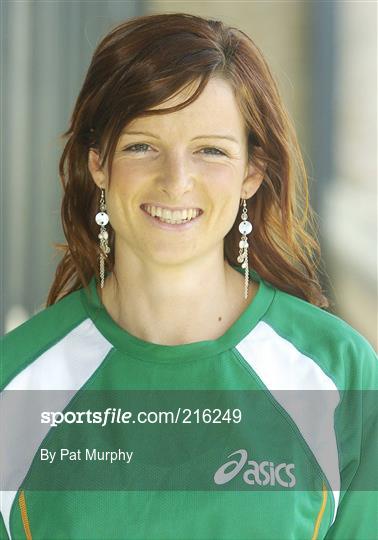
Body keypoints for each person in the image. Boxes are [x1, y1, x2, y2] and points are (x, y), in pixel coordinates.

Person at [1, 12, 377, 540]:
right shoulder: (16, 382)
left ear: (252, 173)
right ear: (98, 164)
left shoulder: (339, 373)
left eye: (210, 151)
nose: (176, 181)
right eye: (142, 146)